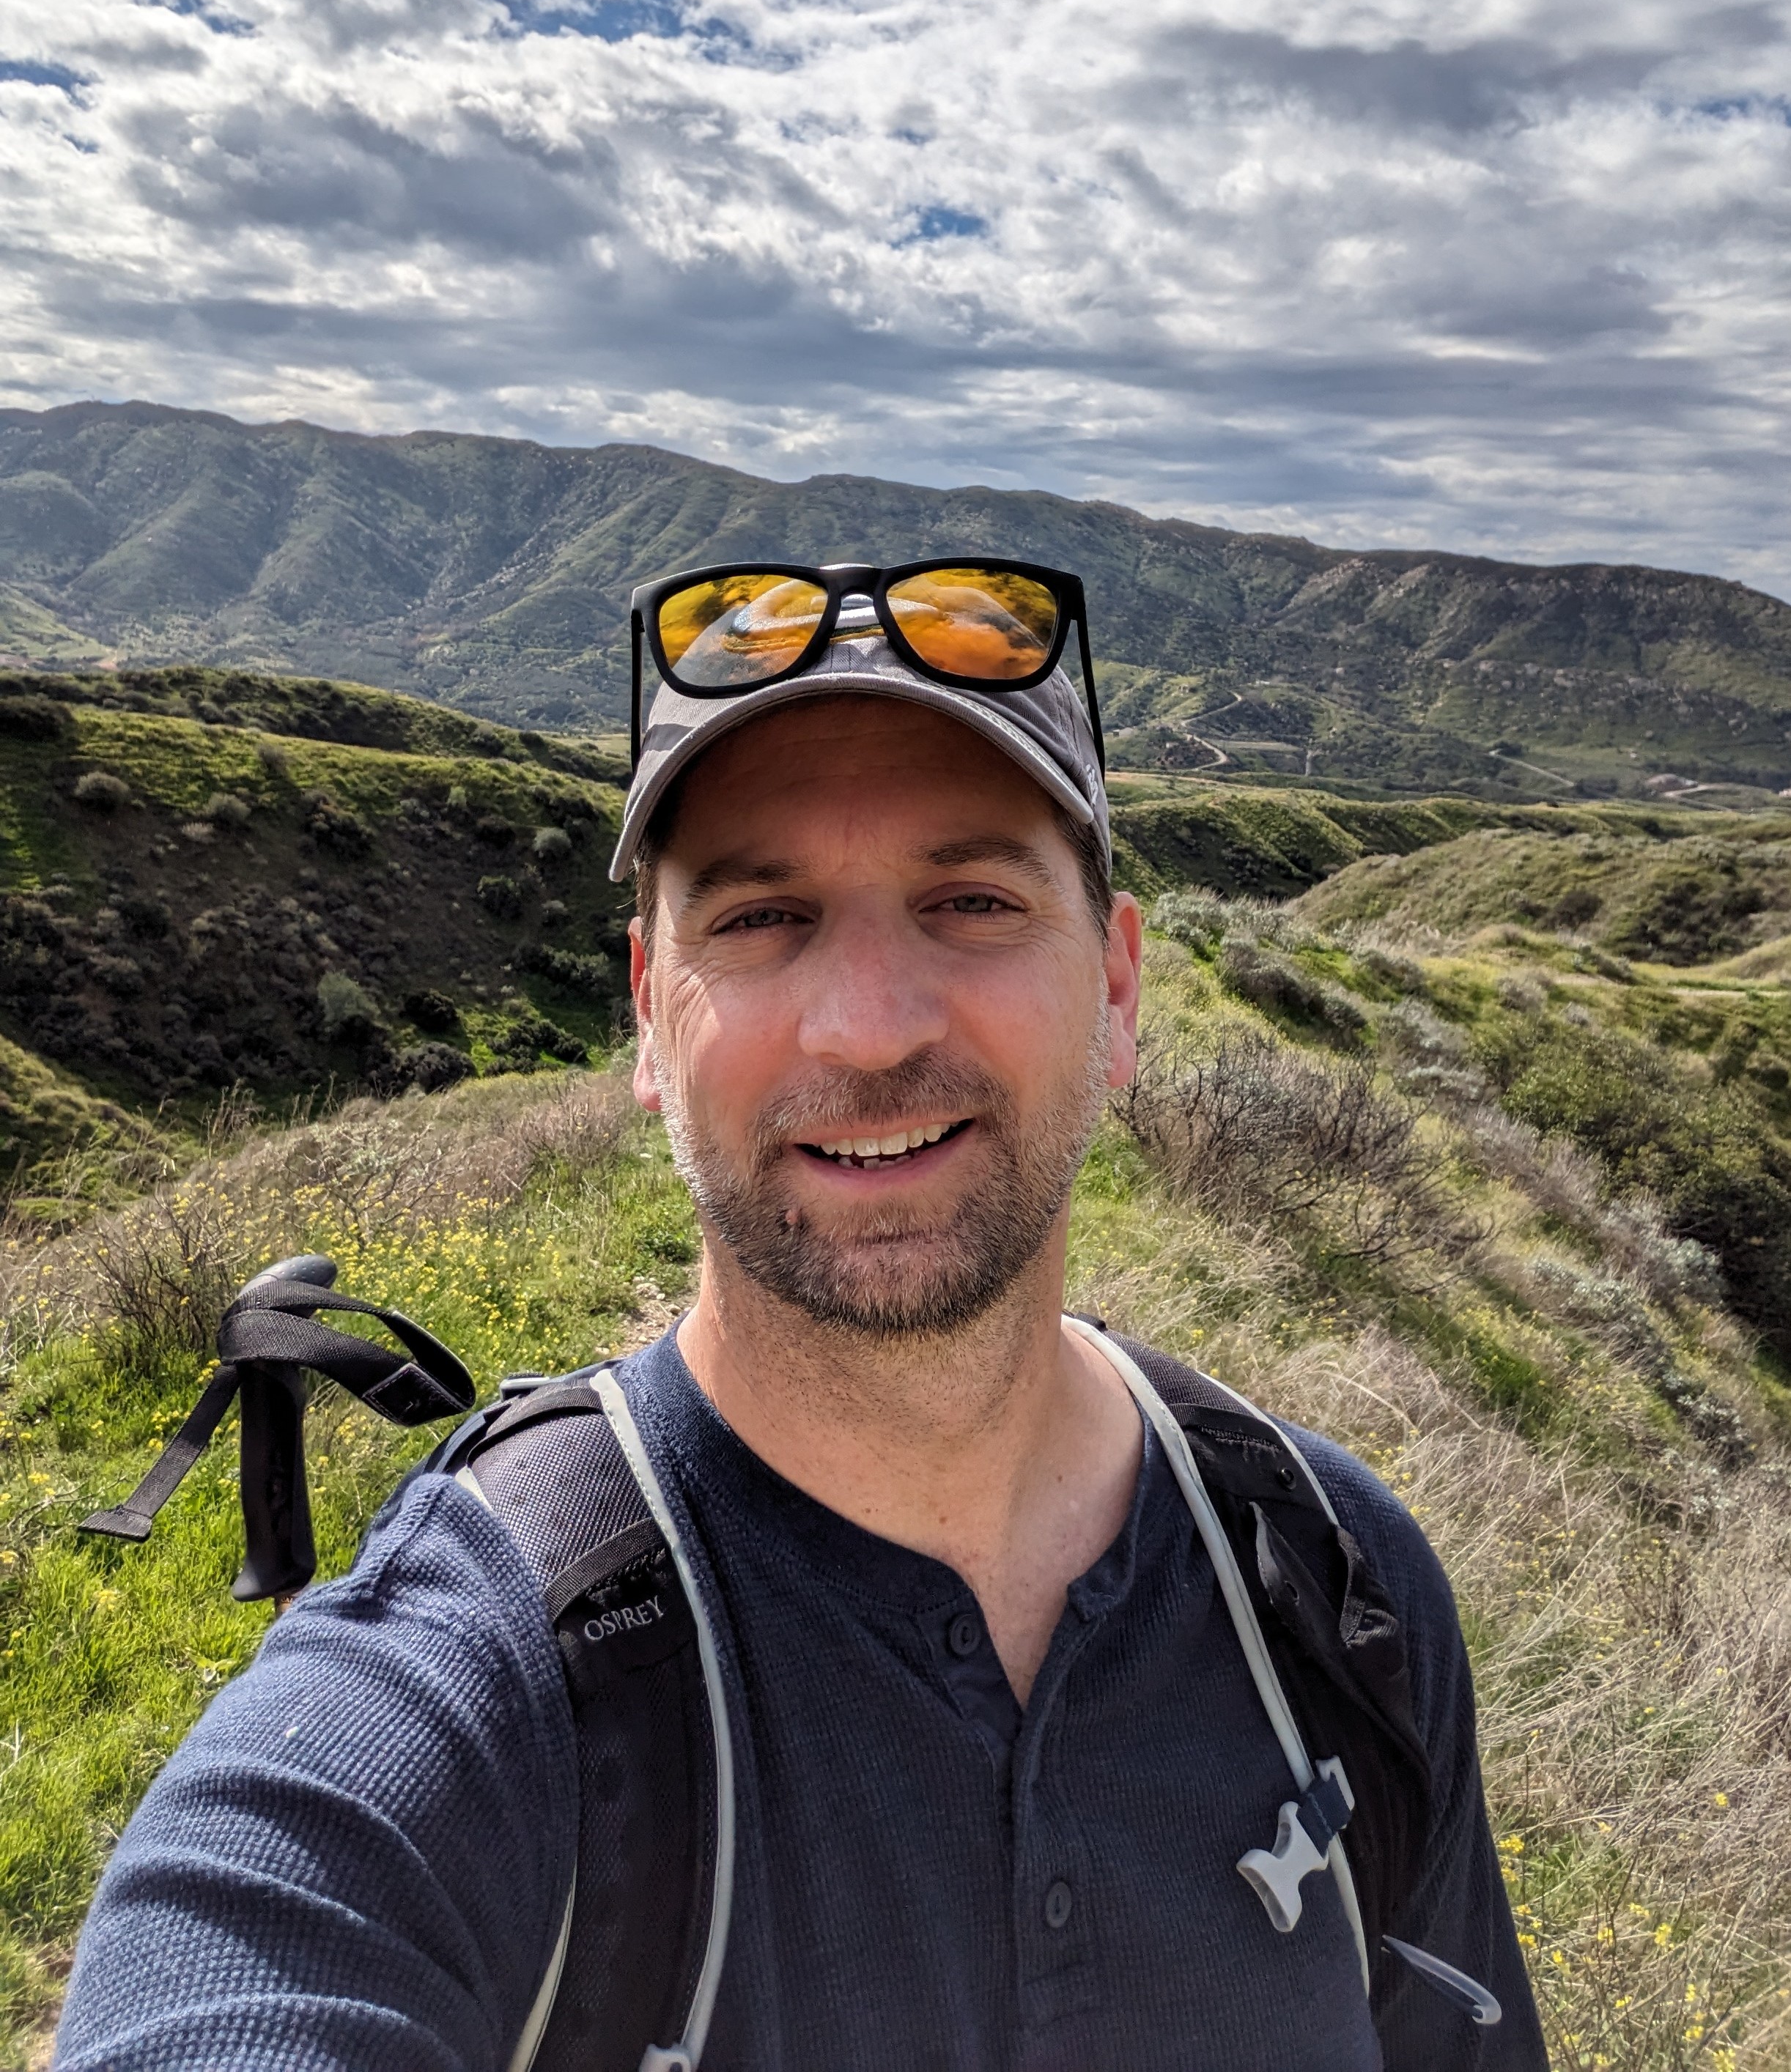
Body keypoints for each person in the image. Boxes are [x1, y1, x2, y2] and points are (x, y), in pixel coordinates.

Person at [55, 560, 1544, 2070]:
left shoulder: (1335, 1591)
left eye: (972, 900)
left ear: (1116, 987)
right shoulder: (471, 1688)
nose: (869, 1026)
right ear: (650, 1014)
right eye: (764, 916)